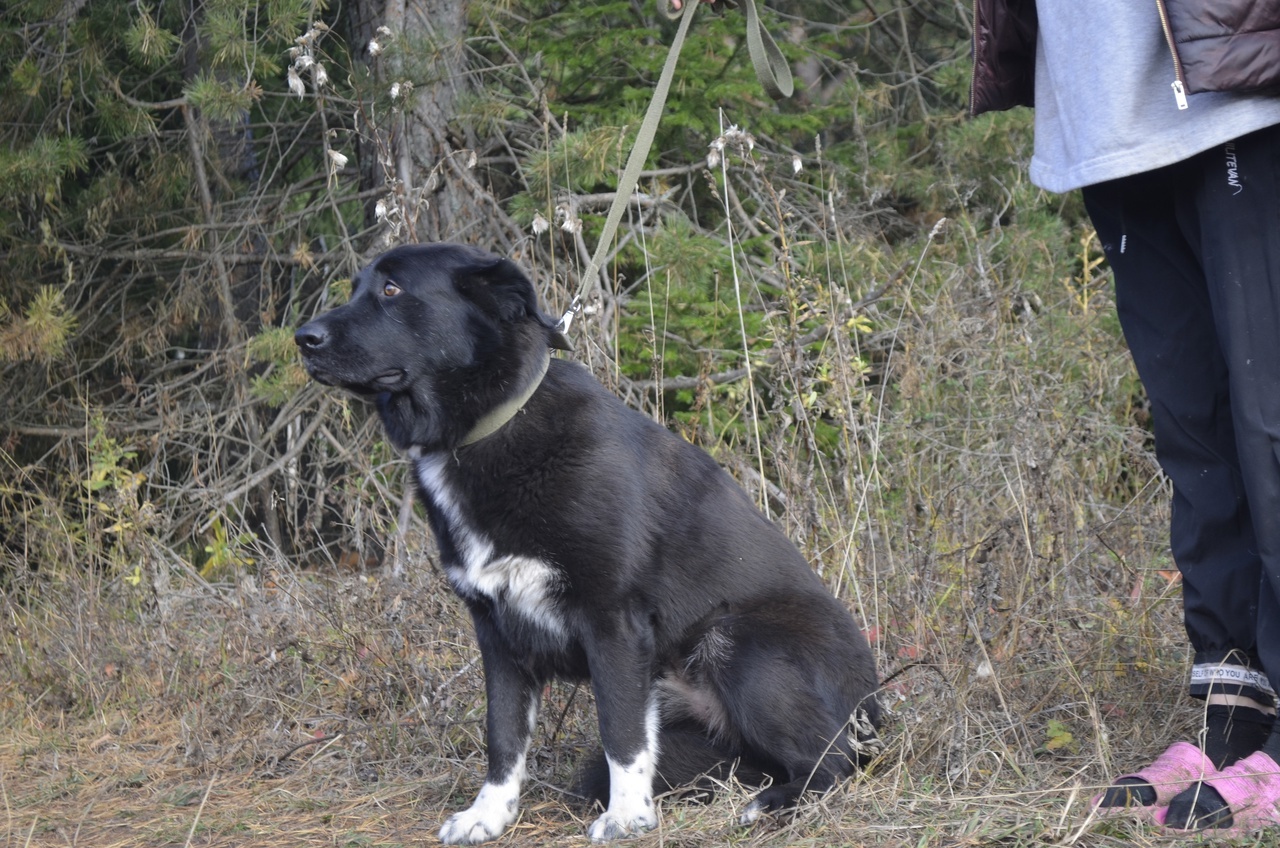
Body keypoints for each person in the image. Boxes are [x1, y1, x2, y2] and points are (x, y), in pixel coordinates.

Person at [972, 0, 1280, 835]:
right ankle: (1234, 723)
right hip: (1107, 113)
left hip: (1239, 90)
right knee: (1196, 439)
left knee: (1271, 426)